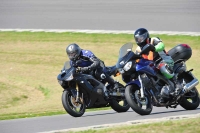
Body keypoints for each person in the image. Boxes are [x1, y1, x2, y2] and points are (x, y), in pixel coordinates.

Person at [133, 28, 182, 103]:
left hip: (164, 60)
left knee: (161, 66)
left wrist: (154, 48)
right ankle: (158, 94)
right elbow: (136, 57)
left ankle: (177, 83)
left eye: (141, 38)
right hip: (151, 66)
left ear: (146, 36)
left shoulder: (153, 40)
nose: (139, 40)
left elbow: (161, 45)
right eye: (137, 39)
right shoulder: (138, 49)